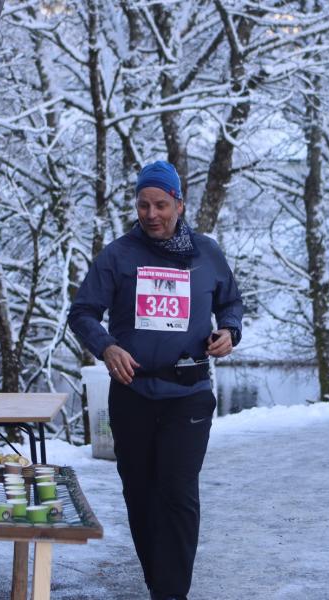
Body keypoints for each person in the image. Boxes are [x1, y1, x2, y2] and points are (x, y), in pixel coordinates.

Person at [68, 160, 243, 600]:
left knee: (178, 493)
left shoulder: (207, 253)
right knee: (141, 496)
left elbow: (232, 302)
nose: (151, 214)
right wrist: (106, 347)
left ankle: (171, 594)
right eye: (143, 205)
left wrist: (230, 331)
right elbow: (83, 312)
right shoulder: (119, 255)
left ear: (179, 205)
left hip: (189, 393)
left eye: (161, 204)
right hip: (133, 393)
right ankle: (159, 584)